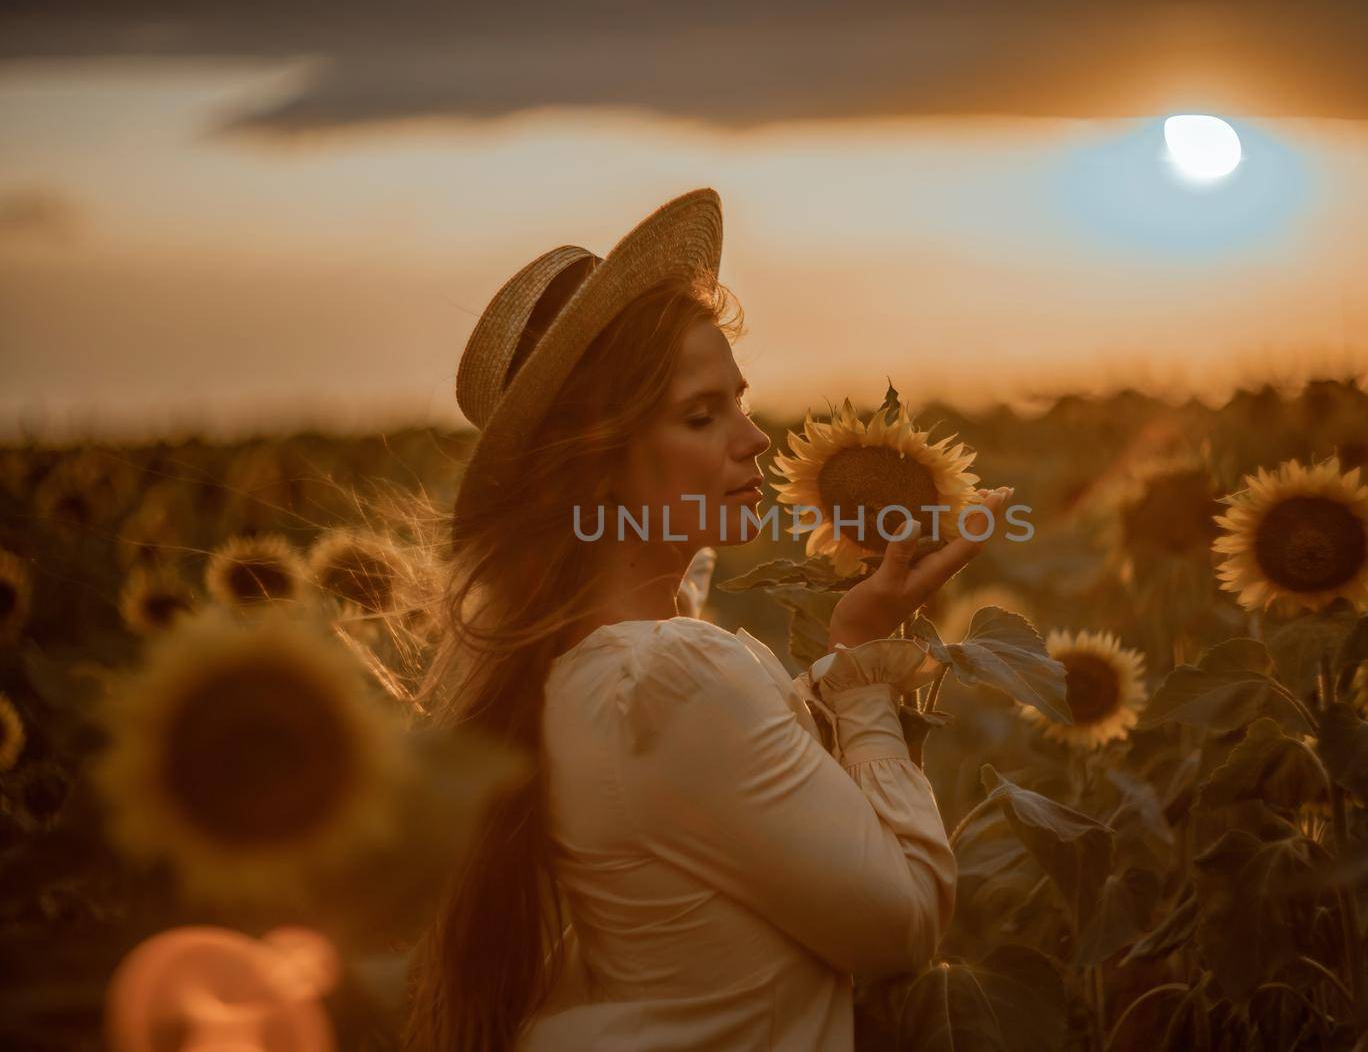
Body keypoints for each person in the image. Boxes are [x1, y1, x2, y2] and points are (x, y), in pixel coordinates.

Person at [402, 188, 1013, 1051]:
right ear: (598, 468)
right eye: (703, 414)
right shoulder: (676, 681)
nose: (755, 437)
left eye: (740, 399)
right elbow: (903, 924)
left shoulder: (582, 674)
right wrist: (869, 670)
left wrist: (856, 640)